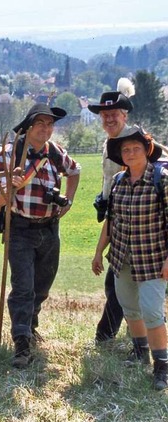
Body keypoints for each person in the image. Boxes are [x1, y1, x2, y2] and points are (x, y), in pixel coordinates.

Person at [0, 103, 80, 368]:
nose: (46, 128)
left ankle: (30, 325)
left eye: (50, 124)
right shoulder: (9, 154)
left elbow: (75, 171)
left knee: (41, 287)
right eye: (40, 123)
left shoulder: (55, 153)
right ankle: (21, 343)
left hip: (50, 229)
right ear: (28, 127)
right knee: (23, 289)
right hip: (20, 230)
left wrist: (70, 201)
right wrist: (11, 187)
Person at [91, 126, 168, 391]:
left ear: (147, 150)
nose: (131, 153)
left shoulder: (162, 179)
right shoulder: (118, 183)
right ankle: (140, 352)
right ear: (121, 156)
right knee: (129, 307)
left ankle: (162, 367)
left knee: (152, 311)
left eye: (136, 148)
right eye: (126, 149)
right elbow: (111, 222)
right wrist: (99, 251)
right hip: (122, 258)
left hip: (153, 259)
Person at [87, 88, 133, 344]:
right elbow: (110, 180)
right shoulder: (109, 143)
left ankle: (105, 337)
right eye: (105, 115)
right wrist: (103, 198)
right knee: (119, 282)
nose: (109, 120)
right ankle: (135, 337)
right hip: (115, 221)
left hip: (133, 222)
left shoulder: (133, 143)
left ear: (124, 115)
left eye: (114, 114)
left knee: (119, 283)